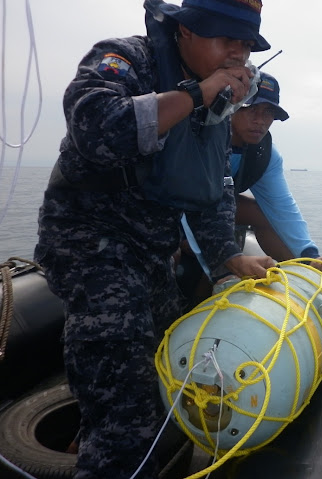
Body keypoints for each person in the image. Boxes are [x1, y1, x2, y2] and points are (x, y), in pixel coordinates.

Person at [33, 1, 273, 477]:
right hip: (91, 243)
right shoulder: (124, 60)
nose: (237, 56)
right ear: (185, 31)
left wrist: (226, 254)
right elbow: (95, 128)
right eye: (227, 41)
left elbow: (212, 185)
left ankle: (101, 434)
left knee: (171, 363)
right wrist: (197, 93)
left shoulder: (221, 103)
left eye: (245, 46)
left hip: (151, 252)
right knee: (126, 405)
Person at [180, 71, 322, 298]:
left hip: (214, 208)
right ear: (231, 105)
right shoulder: (200, 137)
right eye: (251, 109)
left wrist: (310, 256)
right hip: (173, 208)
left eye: (268, 113)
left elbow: (282, 207)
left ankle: (302, 277)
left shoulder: (263, 154)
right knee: (182, 251)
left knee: (262, 214)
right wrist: (228, 262)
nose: (260, 121)